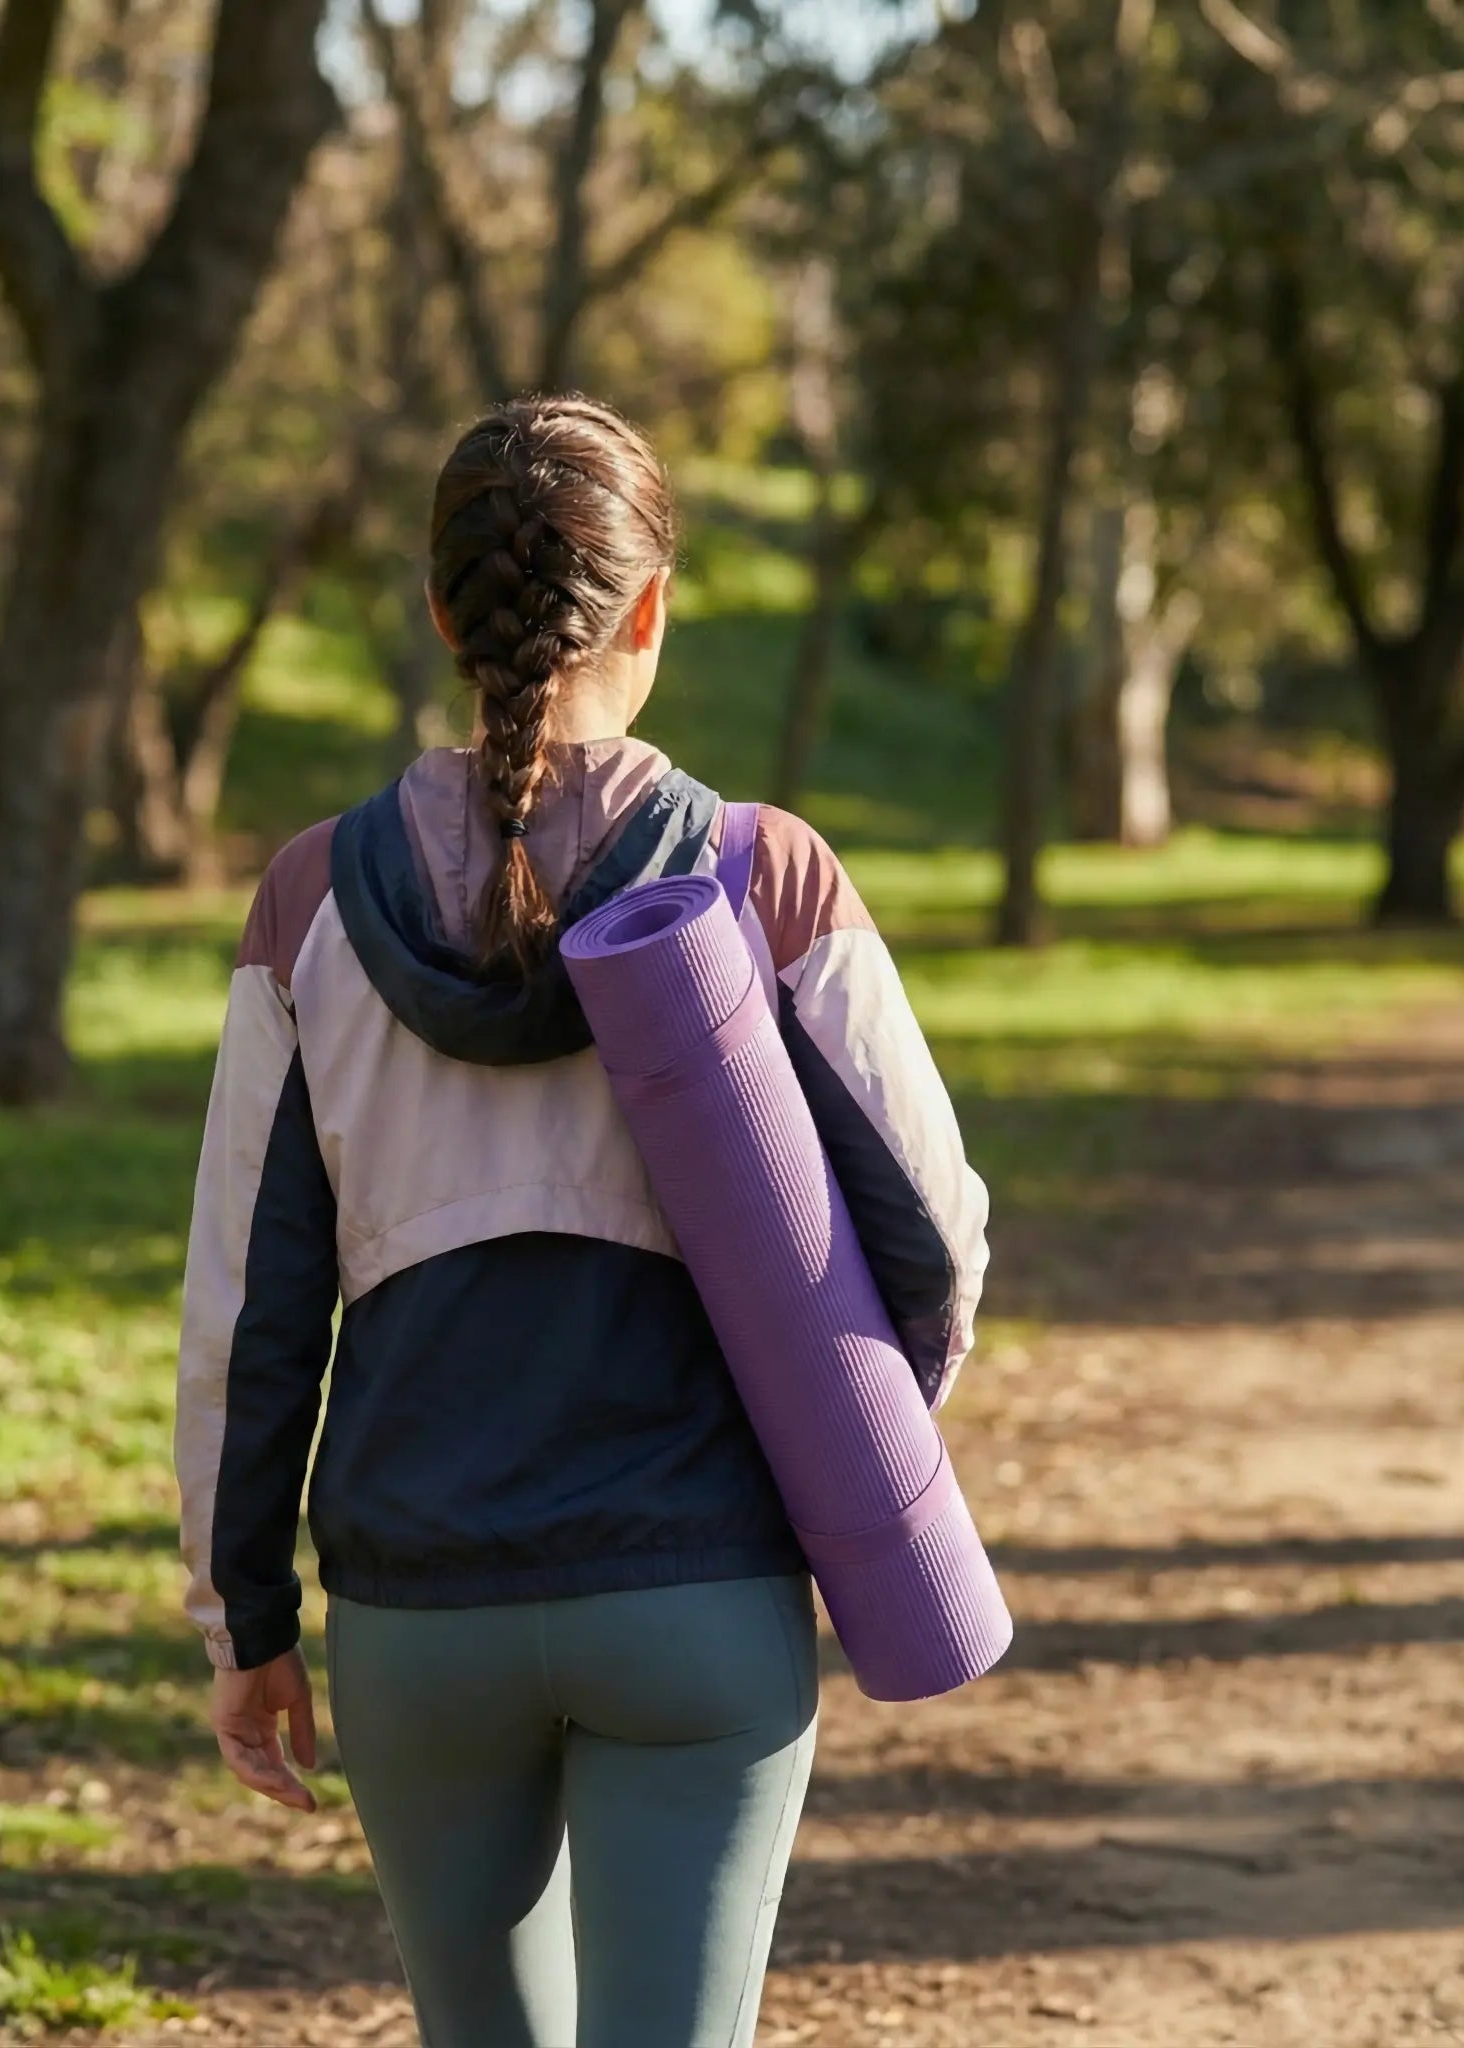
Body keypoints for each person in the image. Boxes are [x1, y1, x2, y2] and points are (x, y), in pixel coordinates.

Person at [176, 395, 989, 2048]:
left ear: (439, 611)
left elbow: (244, 1313)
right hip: (695, 1594)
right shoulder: (768, 877)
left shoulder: (310, 904)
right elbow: (933, 1241)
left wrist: (244, 1618)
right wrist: (850, 1458)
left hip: (417, 1616)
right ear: (650, 609)